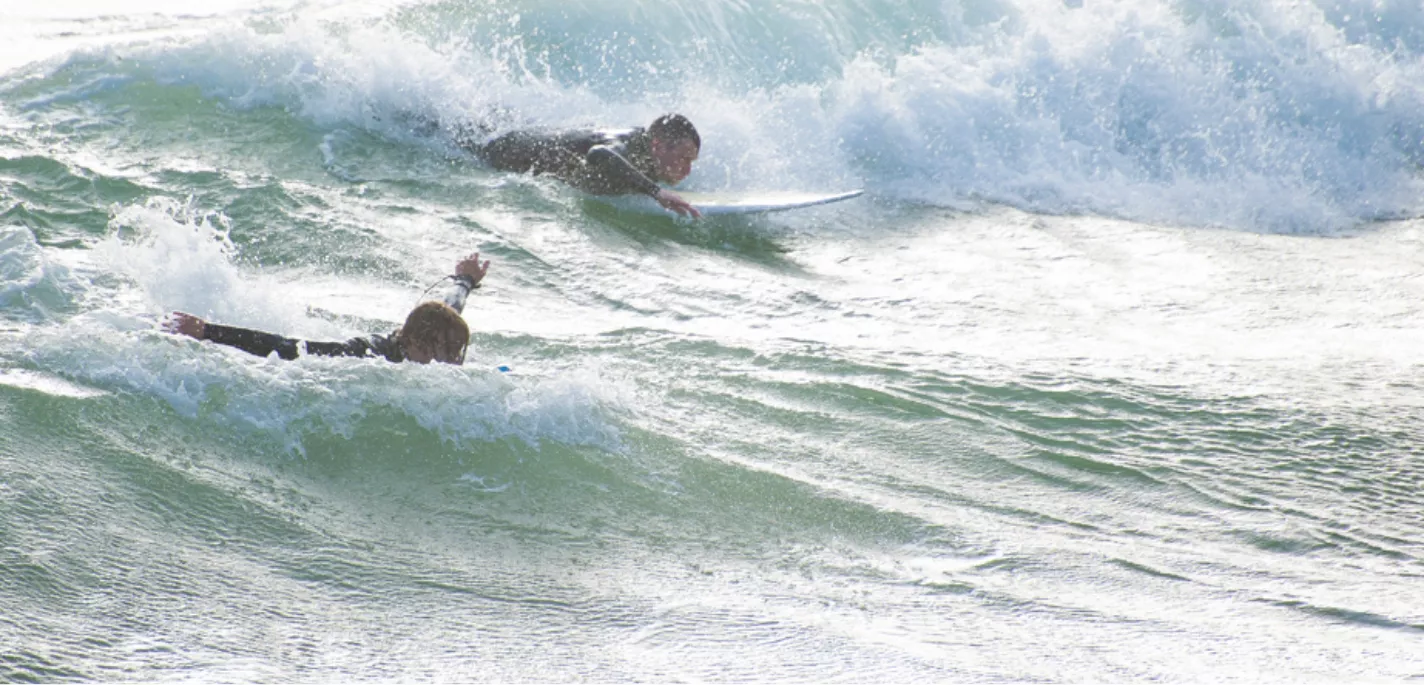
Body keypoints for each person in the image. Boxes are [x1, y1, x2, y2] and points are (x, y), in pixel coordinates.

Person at [163, 253, 491, 365]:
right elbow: (290, 348)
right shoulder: (366, 355)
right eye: (447, 351)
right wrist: (208, 332)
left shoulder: (432, 336)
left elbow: (452, 308)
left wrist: (465, 279)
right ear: (419, 343)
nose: (454, 361)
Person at [466, 113, 704, 218]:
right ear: (658, 146)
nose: (687, 170)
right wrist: (655, 191)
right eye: (683, 158)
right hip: (508, 153)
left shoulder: (647, 155)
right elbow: (598, 153)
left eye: (691, 162)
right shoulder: (628, 147)